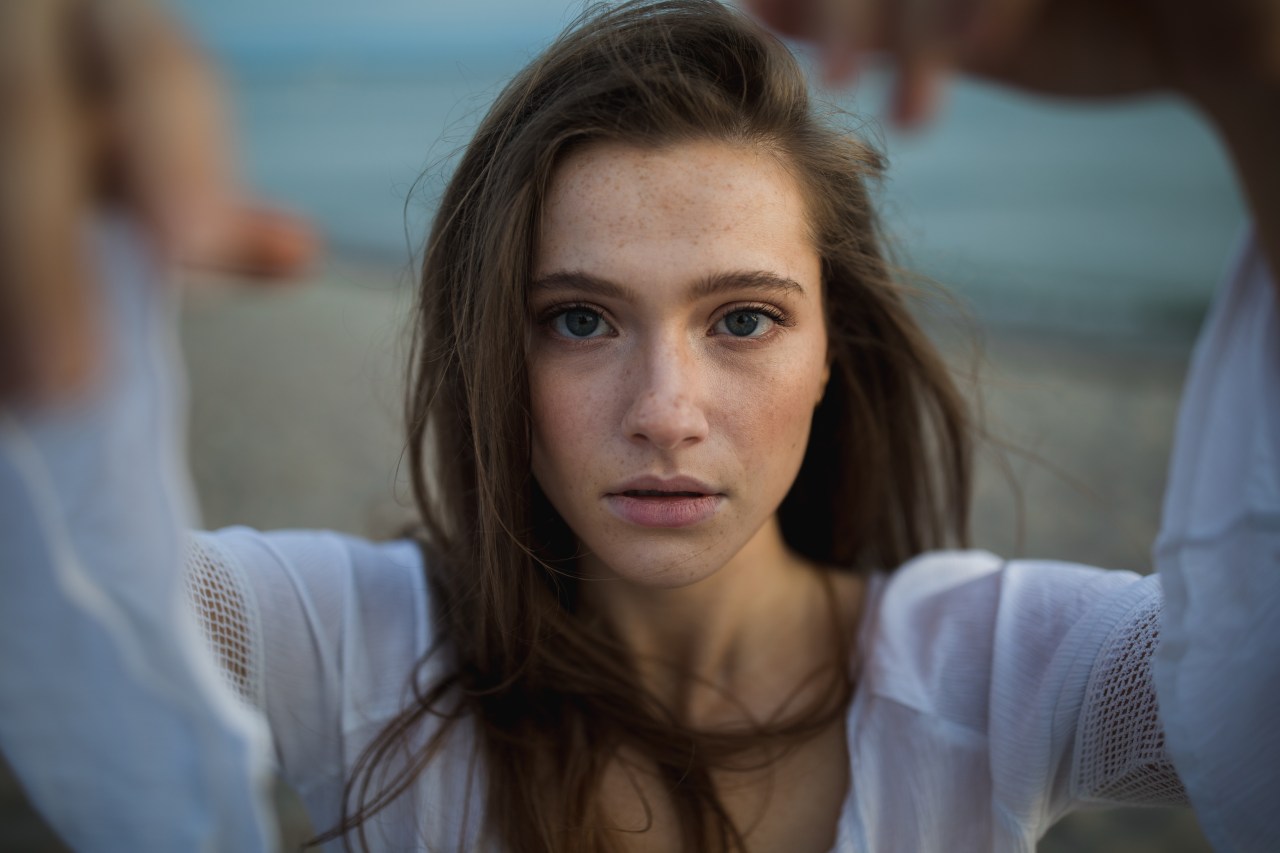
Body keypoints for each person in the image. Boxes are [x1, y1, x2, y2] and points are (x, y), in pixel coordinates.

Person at [0, 2, 1276, 853]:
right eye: (577, 321)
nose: (663, 413)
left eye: (741, 321)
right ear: (494, 352)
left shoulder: (1003, 673)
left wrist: (1248, 74)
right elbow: (55, 597)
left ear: (836, 349)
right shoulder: (342, 643)